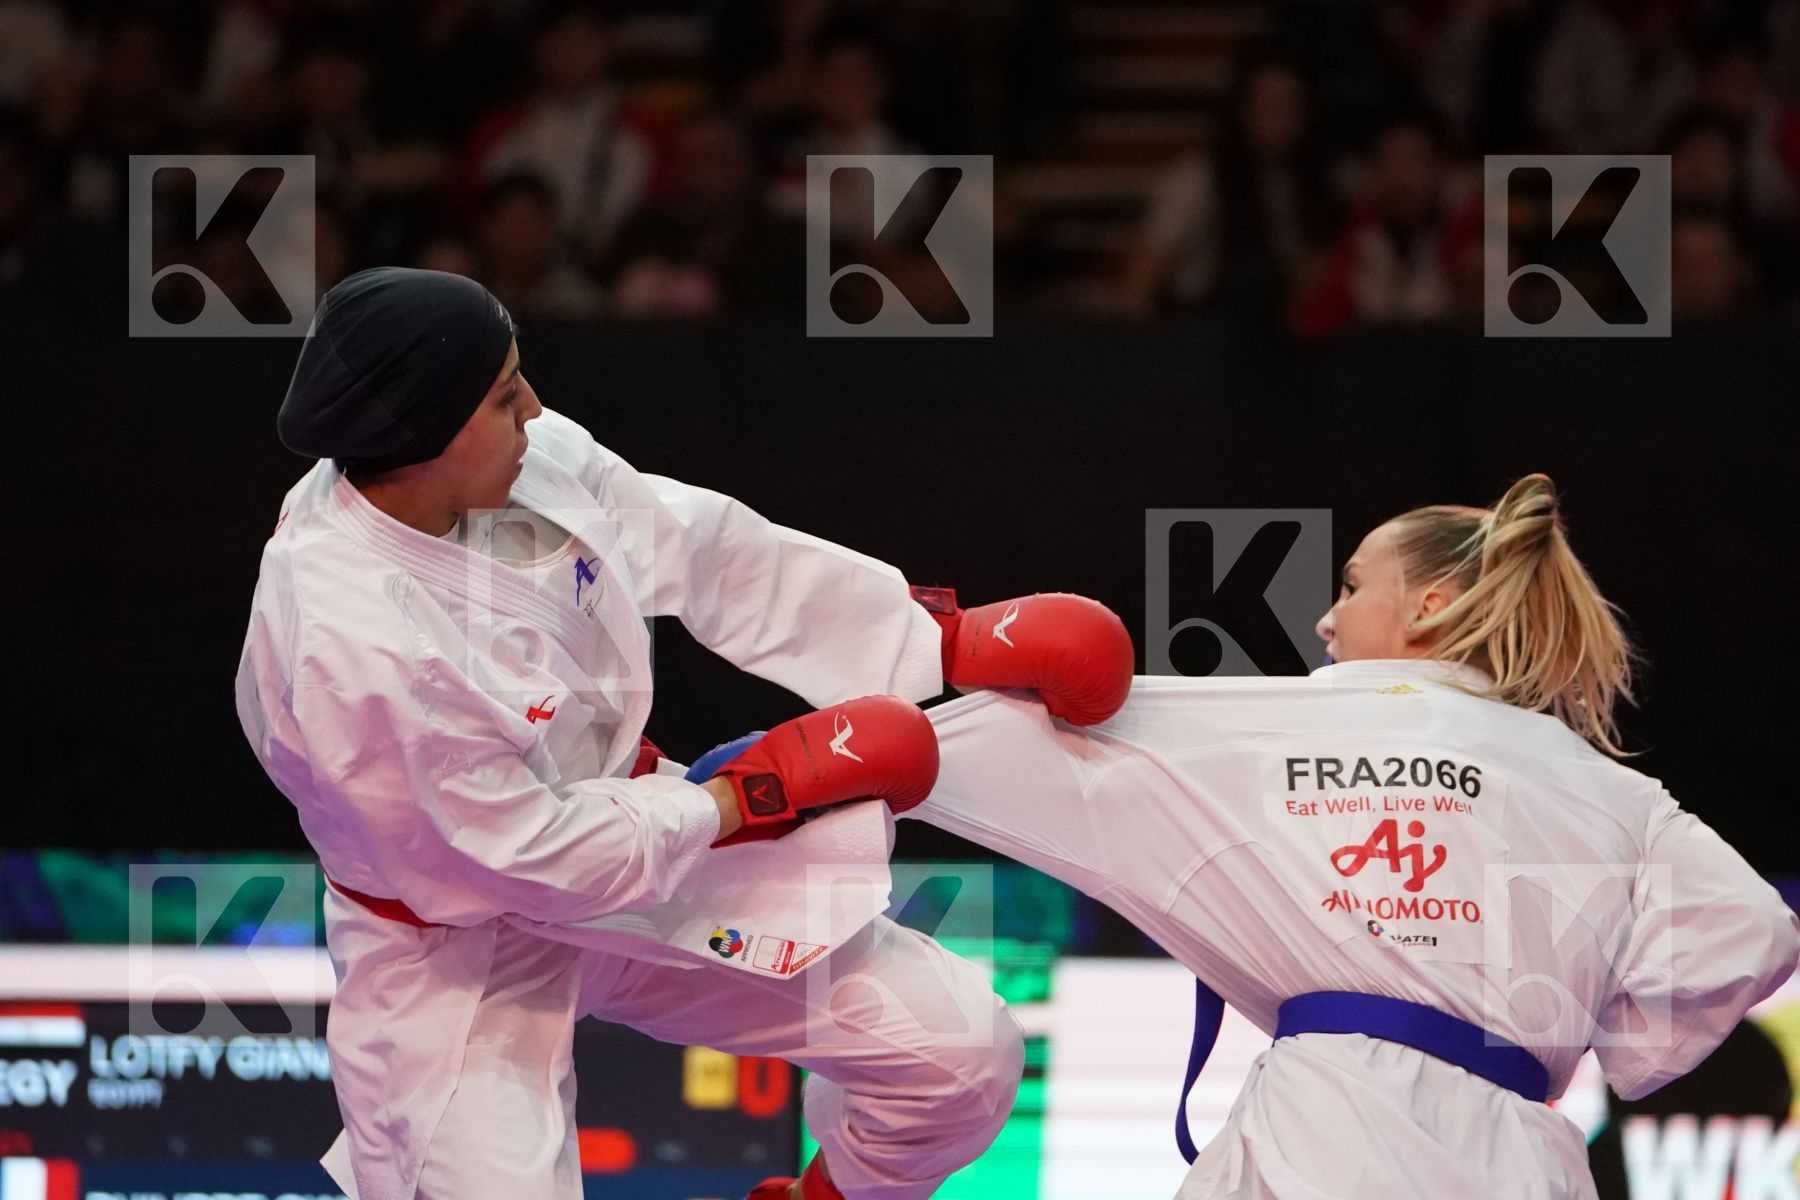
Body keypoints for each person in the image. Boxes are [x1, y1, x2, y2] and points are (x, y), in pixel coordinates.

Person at [234, 267, 1135, 1200]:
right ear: (420, 434)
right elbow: (515, 859)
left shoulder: (518, 461)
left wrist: (932, 642)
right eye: (504, 396)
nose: (534, 407)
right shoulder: (352, 644)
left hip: (634, 848)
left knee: (960, 1058)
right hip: (456, 949)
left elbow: (699, 545)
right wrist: (743, 800)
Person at [909, 473, 1799, 1199]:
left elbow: (1024, 748)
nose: (1327, 619)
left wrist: (915, 672)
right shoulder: (1611, 789)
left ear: (1431, 606)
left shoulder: (1294, 719)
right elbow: (1751, 926)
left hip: (1328, 1133)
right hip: (1518, 1156)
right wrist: (1613, 1039)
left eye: (1352, 585)